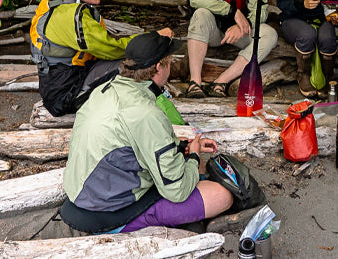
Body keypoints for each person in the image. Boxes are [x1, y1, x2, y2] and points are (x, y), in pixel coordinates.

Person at [62, 31, 232, 233]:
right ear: (159, 67)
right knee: (222, 196)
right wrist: (194, 156)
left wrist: (183, 146)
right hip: (109, 210)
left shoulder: (106, 88)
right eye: (170, 61)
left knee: (192, 170)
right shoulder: (145, 112)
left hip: (86, 192)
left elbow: (132, 139)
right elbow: (176, 190)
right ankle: (129, 227)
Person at [30, 0, 172, 116]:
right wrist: (153, 38)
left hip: (60, 89)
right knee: (135, 62)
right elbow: (112, 48)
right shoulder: (71, 16)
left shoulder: (60, 8)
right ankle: (153, 104)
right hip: (65, 96)